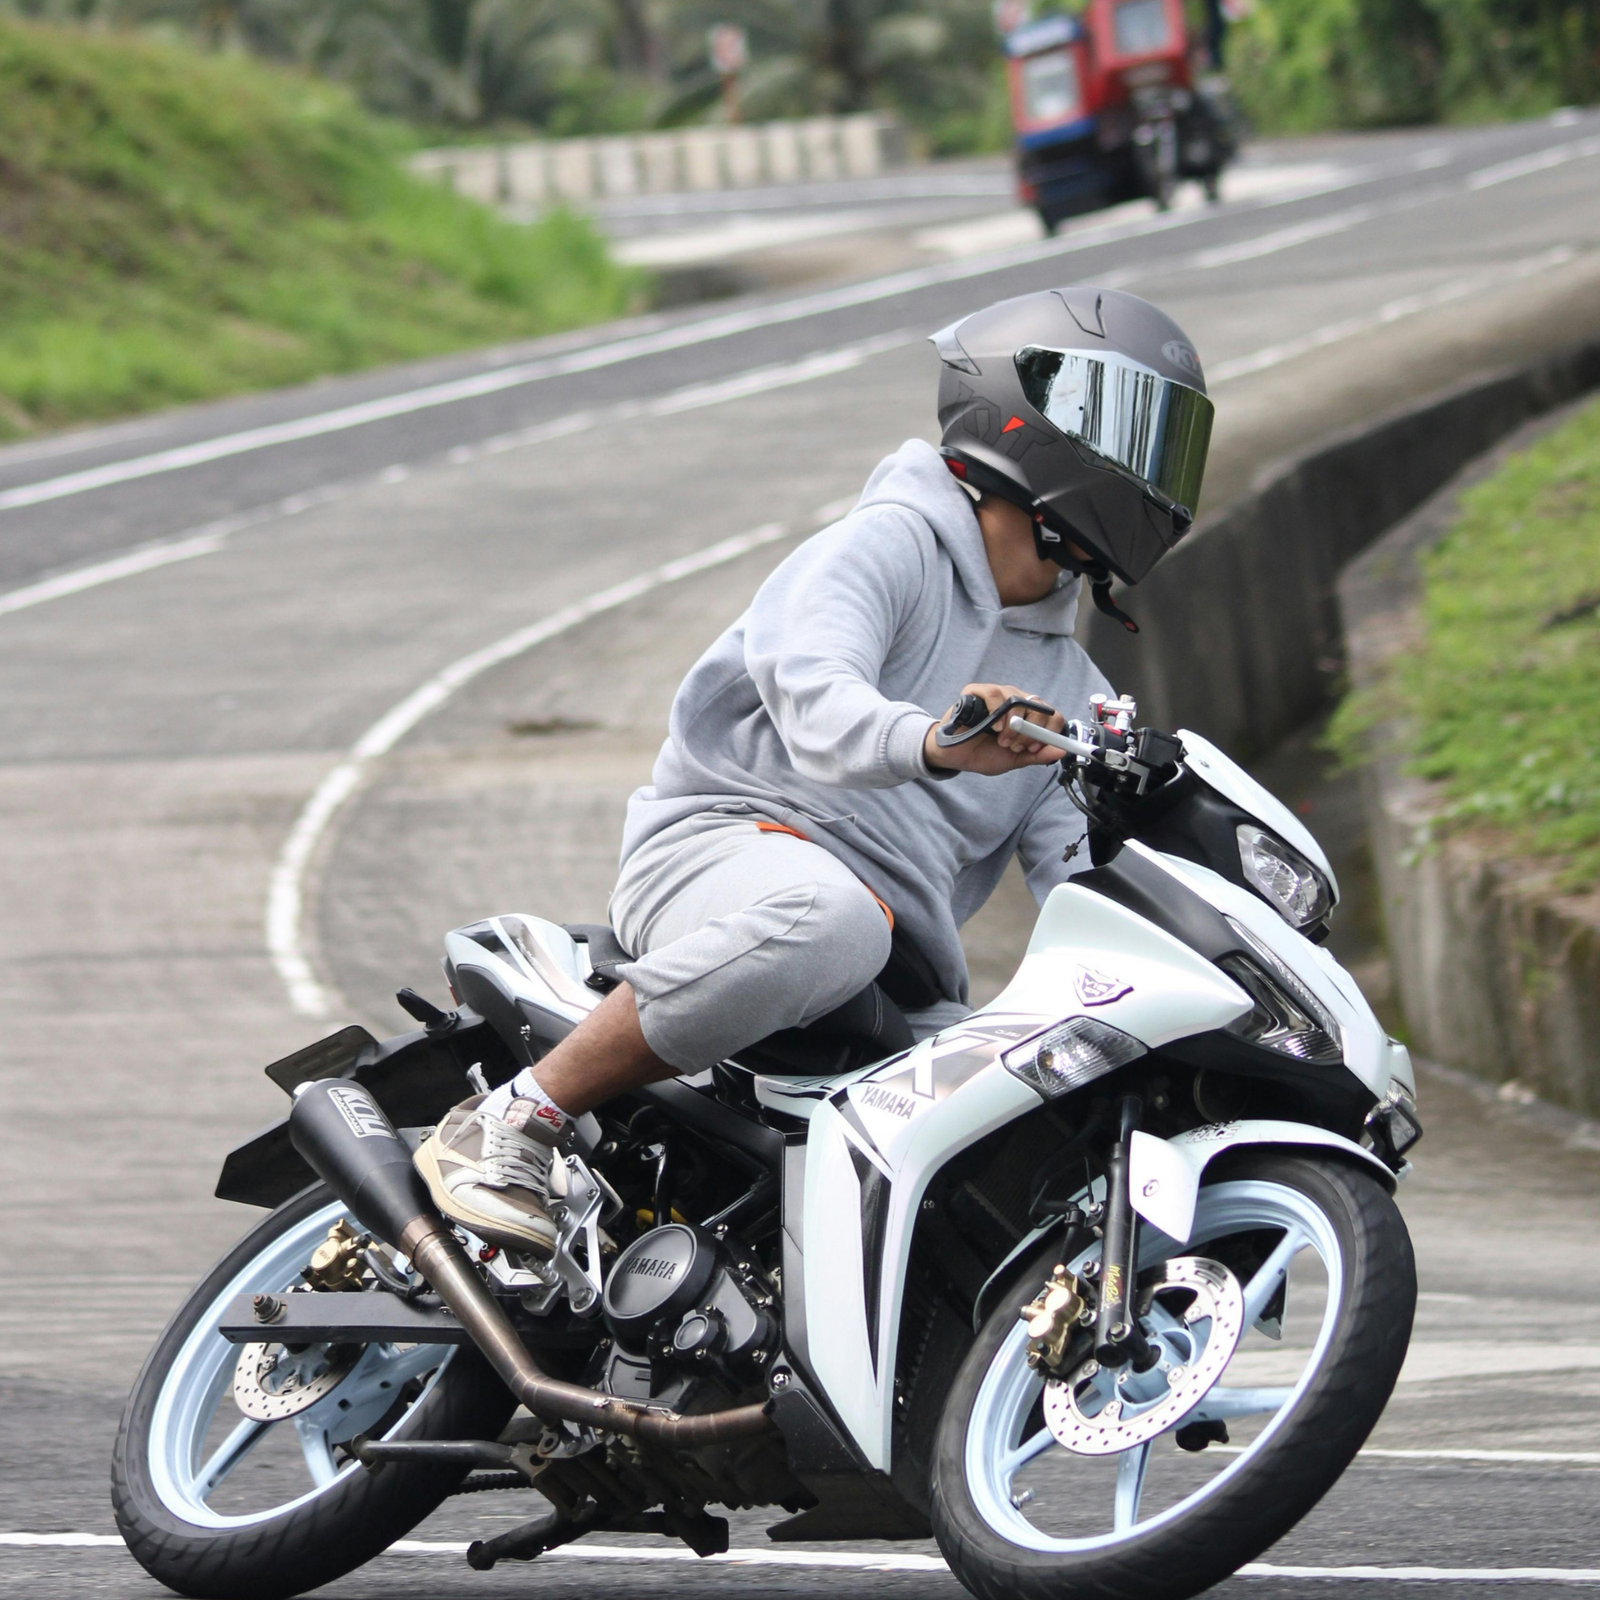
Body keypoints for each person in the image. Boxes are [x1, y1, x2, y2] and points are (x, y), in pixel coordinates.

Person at [414, 285, 1215, 1257]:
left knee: (1015, 1148)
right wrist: (935, 739)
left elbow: (1084, 892)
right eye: (1131, 427)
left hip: (894, 973)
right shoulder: (885, 546)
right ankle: (513, 1119)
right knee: (832, 921)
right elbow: (811, 693)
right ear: (1035, 420)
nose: (1153, 468)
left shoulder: (1073, 696)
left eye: (1168, 441)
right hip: (732, 843)